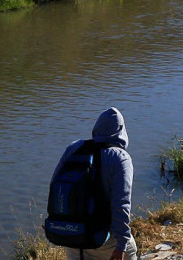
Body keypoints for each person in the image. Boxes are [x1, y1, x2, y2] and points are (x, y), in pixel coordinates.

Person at [49, 108, 136, 260]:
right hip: (102, 237)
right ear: (122, 131)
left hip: (72, 235)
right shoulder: (120, 157)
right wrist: (121, 244)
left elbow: (54, 185)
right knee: (131, 251)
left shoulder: (75, 148)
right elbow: (121, 204)